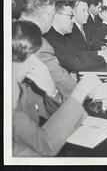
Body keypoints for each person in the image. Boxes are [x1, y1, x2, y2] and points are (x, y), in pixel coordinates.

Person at [12, 20, 101, 156]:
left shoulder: (22, 86)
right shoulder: (10, 95)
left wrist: (51, 91)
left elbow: (51, 118)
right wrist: (80, 92)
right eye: (36, 55)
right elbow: (45, 144)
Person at [20, 0, 77, 99]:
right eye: (53, 14)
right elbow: (67, 86)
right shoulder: (39, 44)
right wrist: (88, 90)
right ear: (48, 14)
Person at [44, 0, 105, 73]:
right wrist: (102, 58)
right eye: (70, 16)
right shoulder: (52, 39)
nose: (73, 20)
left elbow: (76, 55)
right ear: (56, 15)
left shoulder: (61, 36)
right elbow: (74, 63)